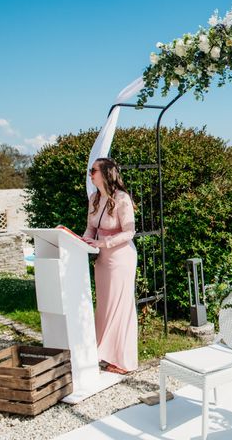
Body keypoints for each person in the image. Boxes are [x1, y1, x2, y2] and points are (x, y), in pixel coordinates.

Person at [83, 157, 138, 374]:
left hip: (121, 259)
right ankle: (105, 353)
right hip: (102, 260)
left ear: (106, 173)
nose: (90, 174)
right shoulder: (94, 198)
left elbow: (129, 232)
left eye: (93, 170)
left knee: (120, 307)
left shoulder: (122, 198)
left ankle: (124, 361)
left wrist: (103, 242)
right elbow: (90, 228)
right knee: (105, 306)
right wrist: (83, 240)